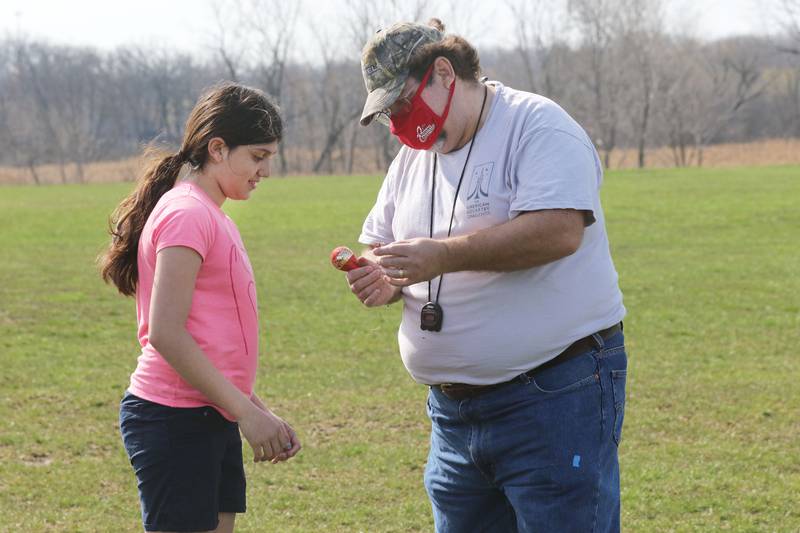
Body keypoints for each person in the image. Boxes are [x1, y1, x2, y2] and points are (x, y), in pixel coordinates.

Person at [347, 19, 627, 533]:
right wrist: (382, 276)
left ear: (444, 73)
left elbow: (560, 230)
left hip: (553, 397)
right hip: (454, 419)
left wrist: (441, 257)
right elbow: (384, 245)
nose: (402, 126)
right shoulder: (412, 159)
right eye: (389, 115)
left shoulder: (537, 125)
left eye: (404, 105)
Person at [100, 82, 300, 533]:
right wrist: (246, 413)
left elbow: (212, 340)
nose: (265, 170)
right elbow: (165, 332)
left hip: (211, 412)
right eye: (258, 156)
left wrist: (257, 409)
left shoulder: (212, 214)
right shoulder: (187, 213)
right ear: (217, 148)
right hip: (175, 421)